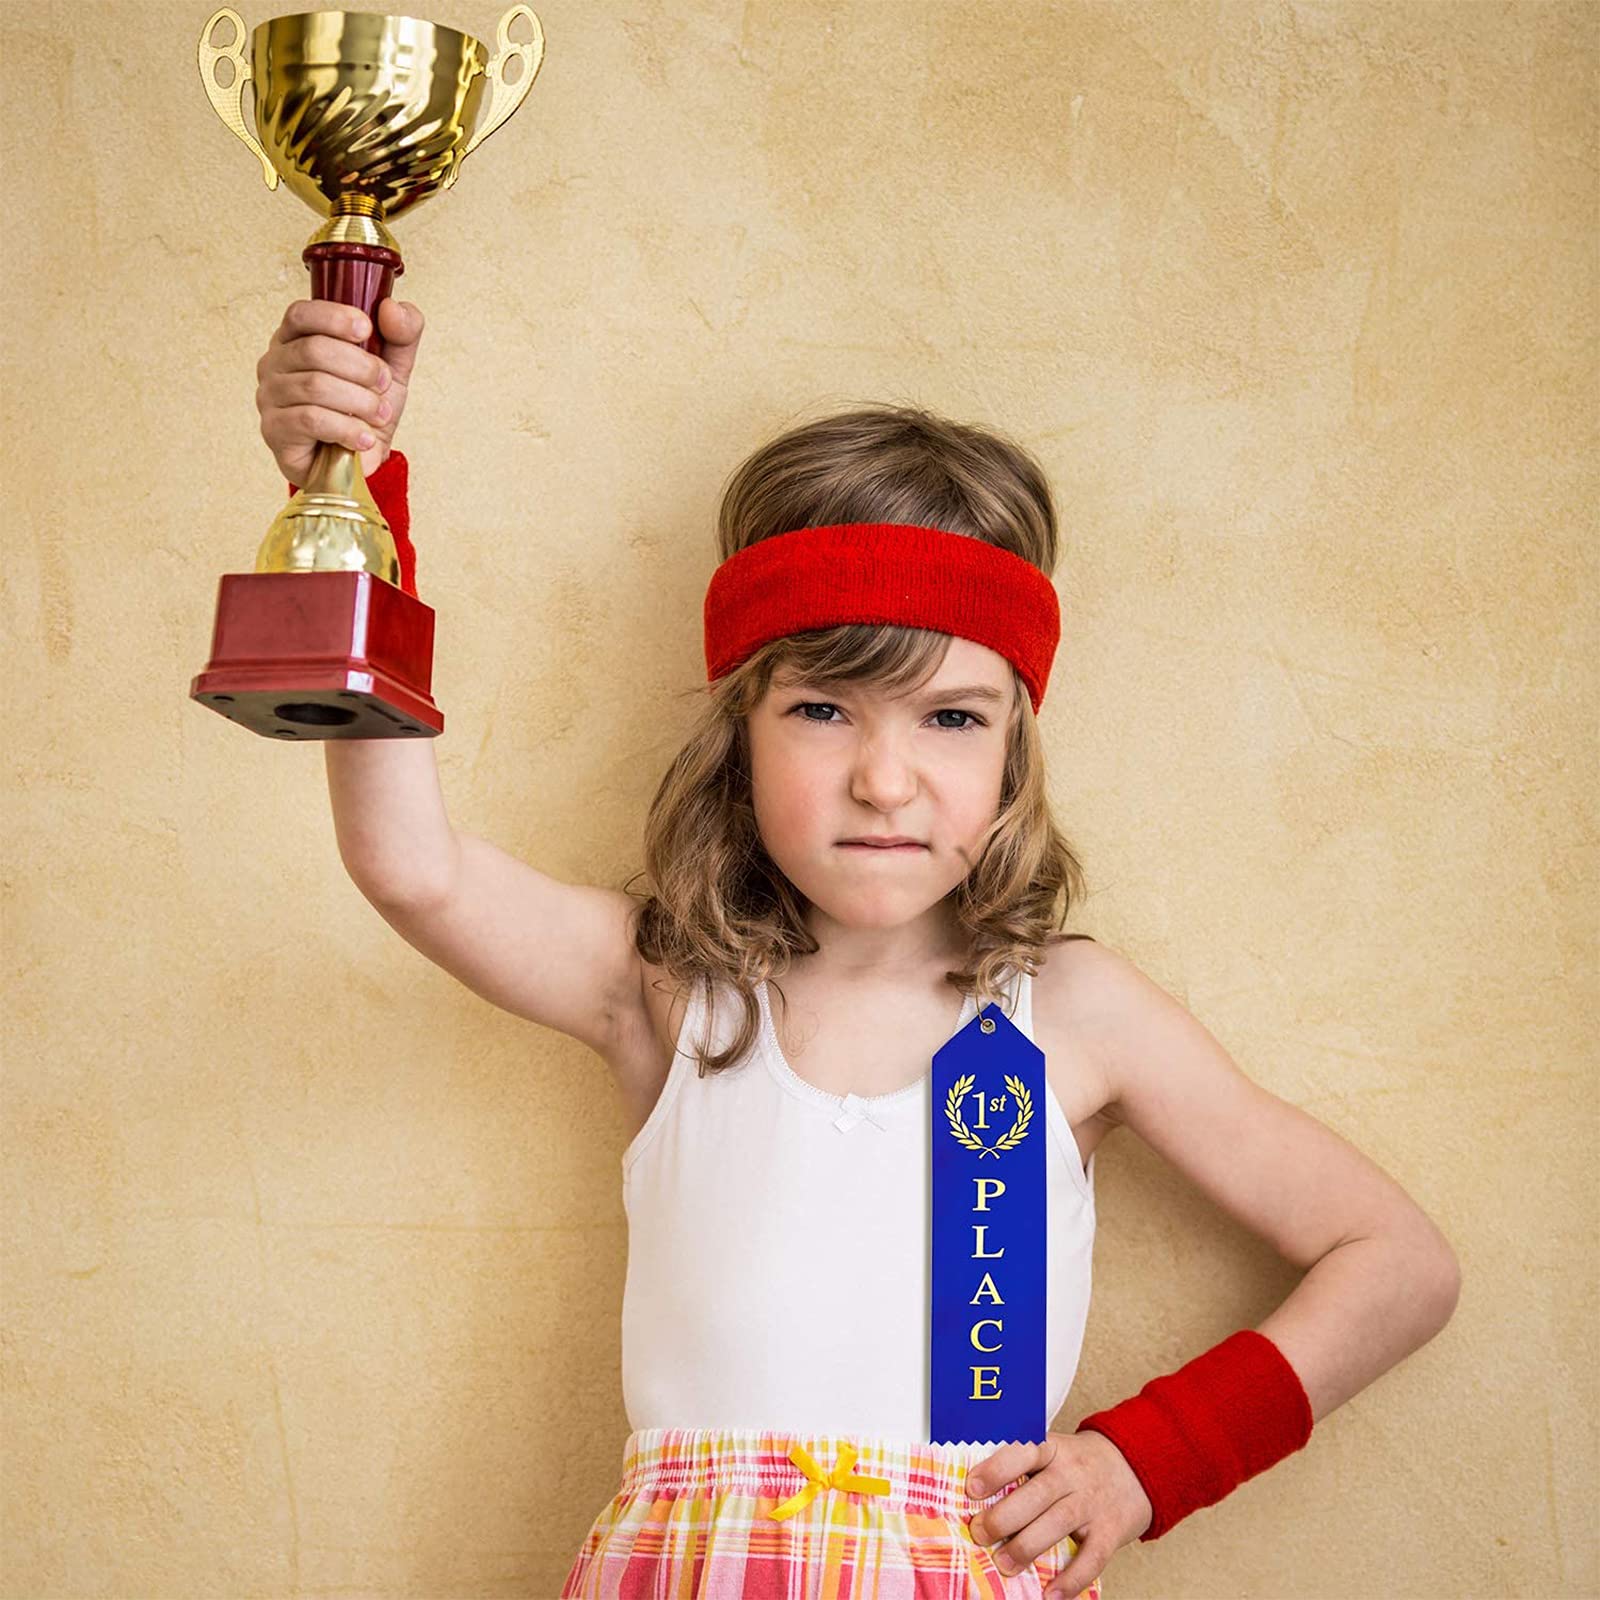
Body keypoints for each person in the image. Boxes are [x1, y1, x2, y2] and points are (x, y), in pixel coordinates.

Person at [254, 297, 1464, 1599]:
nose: (886, 781)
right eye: (826, 709)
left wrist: (1143, 1462)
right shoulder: (668, 987)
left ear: (1014, 749)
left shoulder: (1072, 1016)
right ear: (741, 731)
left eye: (952, 717)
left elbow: (1398, 1265)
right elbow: (411, 865)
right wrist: (349, 492)